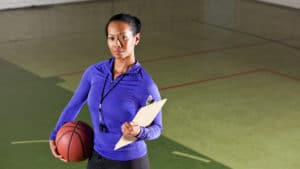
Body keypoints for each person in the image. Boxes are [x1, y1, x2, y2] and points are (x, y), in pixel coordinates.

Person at [49, 13, 163, 169]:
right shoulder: (94, 72)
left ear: (136, 39)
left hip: (130, 163)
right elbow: (74, 105)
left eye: (123, 38)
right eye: (112, 38)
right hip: (97, 158)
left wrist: (139, 132)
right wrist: (55, 135)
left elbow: (157, 128)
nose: (117, 44)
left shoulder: (145, 85)